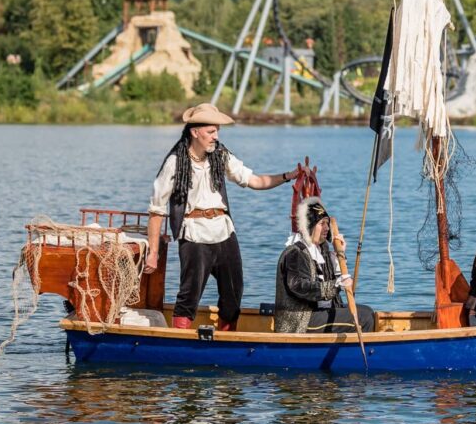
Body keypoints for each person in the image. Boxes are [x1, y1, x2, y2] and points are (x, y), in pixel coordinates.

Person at [145, 103, 302, 331]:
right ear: (194, 132)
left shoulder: (220, 155)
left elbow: (255, 181)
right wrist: (153, 252)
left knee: (233, 291)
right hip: (194, 234)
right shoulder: (175, 162)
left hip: (224, 231)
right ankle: (179, 337)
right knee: (190, 294)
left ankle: (228, 337)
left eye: (217, 131)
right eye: (211, 131)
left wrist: (289, 176)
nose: (215, 136)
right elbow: (156, 210)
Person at [275, 196, 376, 334]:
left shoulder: (324, 250)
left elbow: (336, 282)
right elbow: (300, 286)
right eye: (322, 223)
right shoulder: (295, 253)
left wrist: (339, 256)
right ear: (310, 226)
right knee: (363, 318)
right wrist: (335, 285)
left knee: (368, 312)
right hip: (300, 321)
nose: (327, 228)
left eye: (327, 223)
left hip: (321, 312)